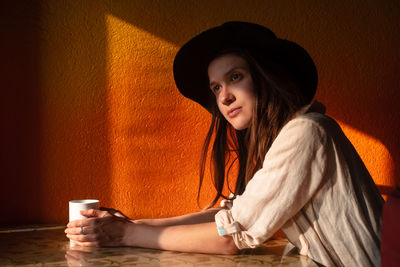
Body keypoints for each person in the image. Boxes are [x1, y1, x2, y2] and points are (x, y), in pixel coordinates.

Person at [65, 21, 384, 266]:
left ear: (265, 77)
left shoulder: (306, 132)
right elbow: (233, 214)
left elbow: (232, 235)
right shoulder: (288, 136)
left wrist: (125, 235)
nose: (224, 96)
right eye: (215, 87)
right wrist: (134, 225)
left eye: (235, 78)